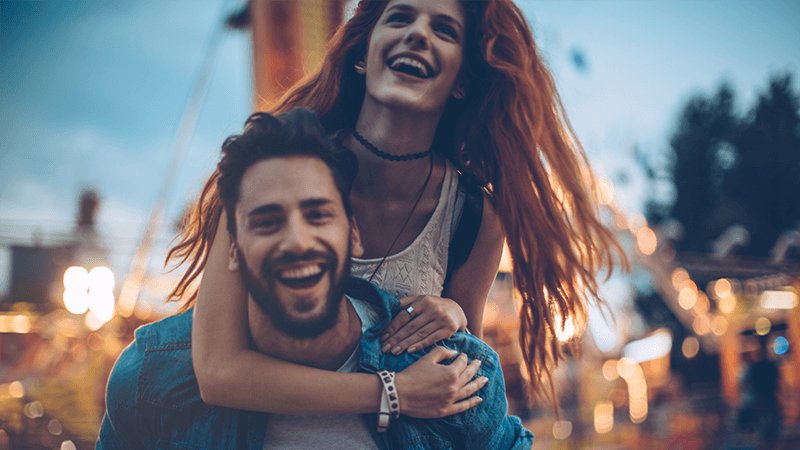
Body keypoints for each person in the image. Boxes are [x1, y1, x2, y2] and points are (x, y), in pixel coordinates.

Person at [166, 0, 624, 416]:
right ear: (363, 54)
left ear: (462, 81)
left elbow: (458, 392)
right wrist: (393, 392)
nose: (419, 34)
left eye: (444, 30)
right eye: (401, 17)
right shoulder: (269, 168)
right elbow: (219, 372)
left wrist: (457, 317)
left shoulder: (473, 217)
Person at [98, 109, 533, 449]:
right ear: (231, 246)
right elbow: (217, 374)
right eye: (267, 221)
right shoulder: (148, 382)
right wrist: (391, 393)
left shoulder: (449, 376)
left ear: (354, 233)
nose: (296, 241)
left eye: (318, 215)